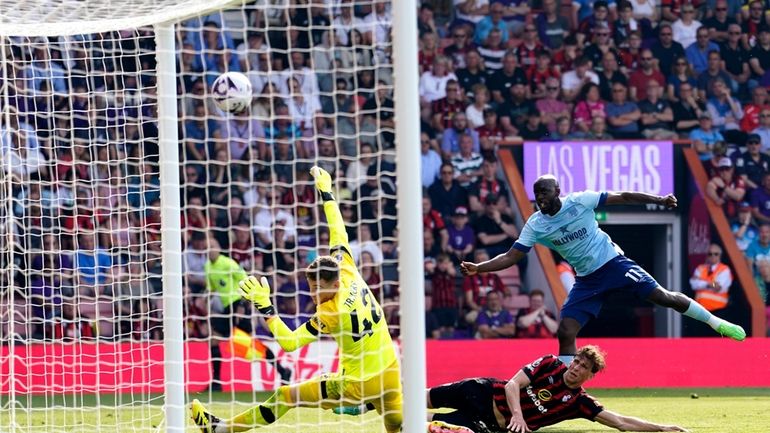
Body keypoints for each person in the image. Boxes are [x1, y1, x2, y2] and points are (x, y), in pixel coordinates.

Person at [192, 166, 411, 433]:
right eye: (311, 286)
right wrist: (327, 194)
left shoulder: (333, 311)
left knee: (286, 396)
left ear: (330, 284)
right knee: (400, 427)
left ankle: (221, 430)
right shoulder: (347, 267)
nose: (313, 293)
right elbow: (338, 231)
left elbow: (290, 342)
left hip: (359, 383)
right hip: (390, 370)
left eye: (318, 288)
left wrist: (266, 306)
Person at [460, 175, 746, 363]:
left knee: (663, 297)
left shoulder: (580, 201)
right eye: (537, 194)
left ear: (558, 191)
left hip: (613, 264)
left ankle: (716, 323)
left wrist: (658, 200)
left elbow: (623, 196)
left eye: (545, 192)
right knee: (566, 330)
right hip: (586, 279)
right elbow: (512, 256)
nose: (540, 198)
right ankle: (567, 388)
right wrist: (479, 268)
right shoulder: (536, 223)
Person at [426, 346, 688, 433]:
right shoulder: (550, 363)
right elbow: (513, 384)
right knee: (422, 398)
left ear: (590, 375)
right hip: (481, 391)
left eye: (583, 366)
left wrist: (661, 428)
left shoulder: (579, 402)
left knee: (418, 421)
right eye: (575, 361)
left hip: (486, 423)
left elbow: (620, 422)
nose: (575, 367)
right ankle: (386, 394)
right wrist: (518, 415)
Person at [689, 243, 733, 312]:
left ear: (720, 256)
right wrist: (709, 284)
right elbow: (693, 284)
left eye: (716, 254)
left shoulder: (724, 269)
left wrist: (703, 282)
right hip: (700, 310)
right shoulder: (700, 268)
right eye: (710, 254)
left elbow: (718, 287)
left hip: (718, 310)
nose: (713, 256)